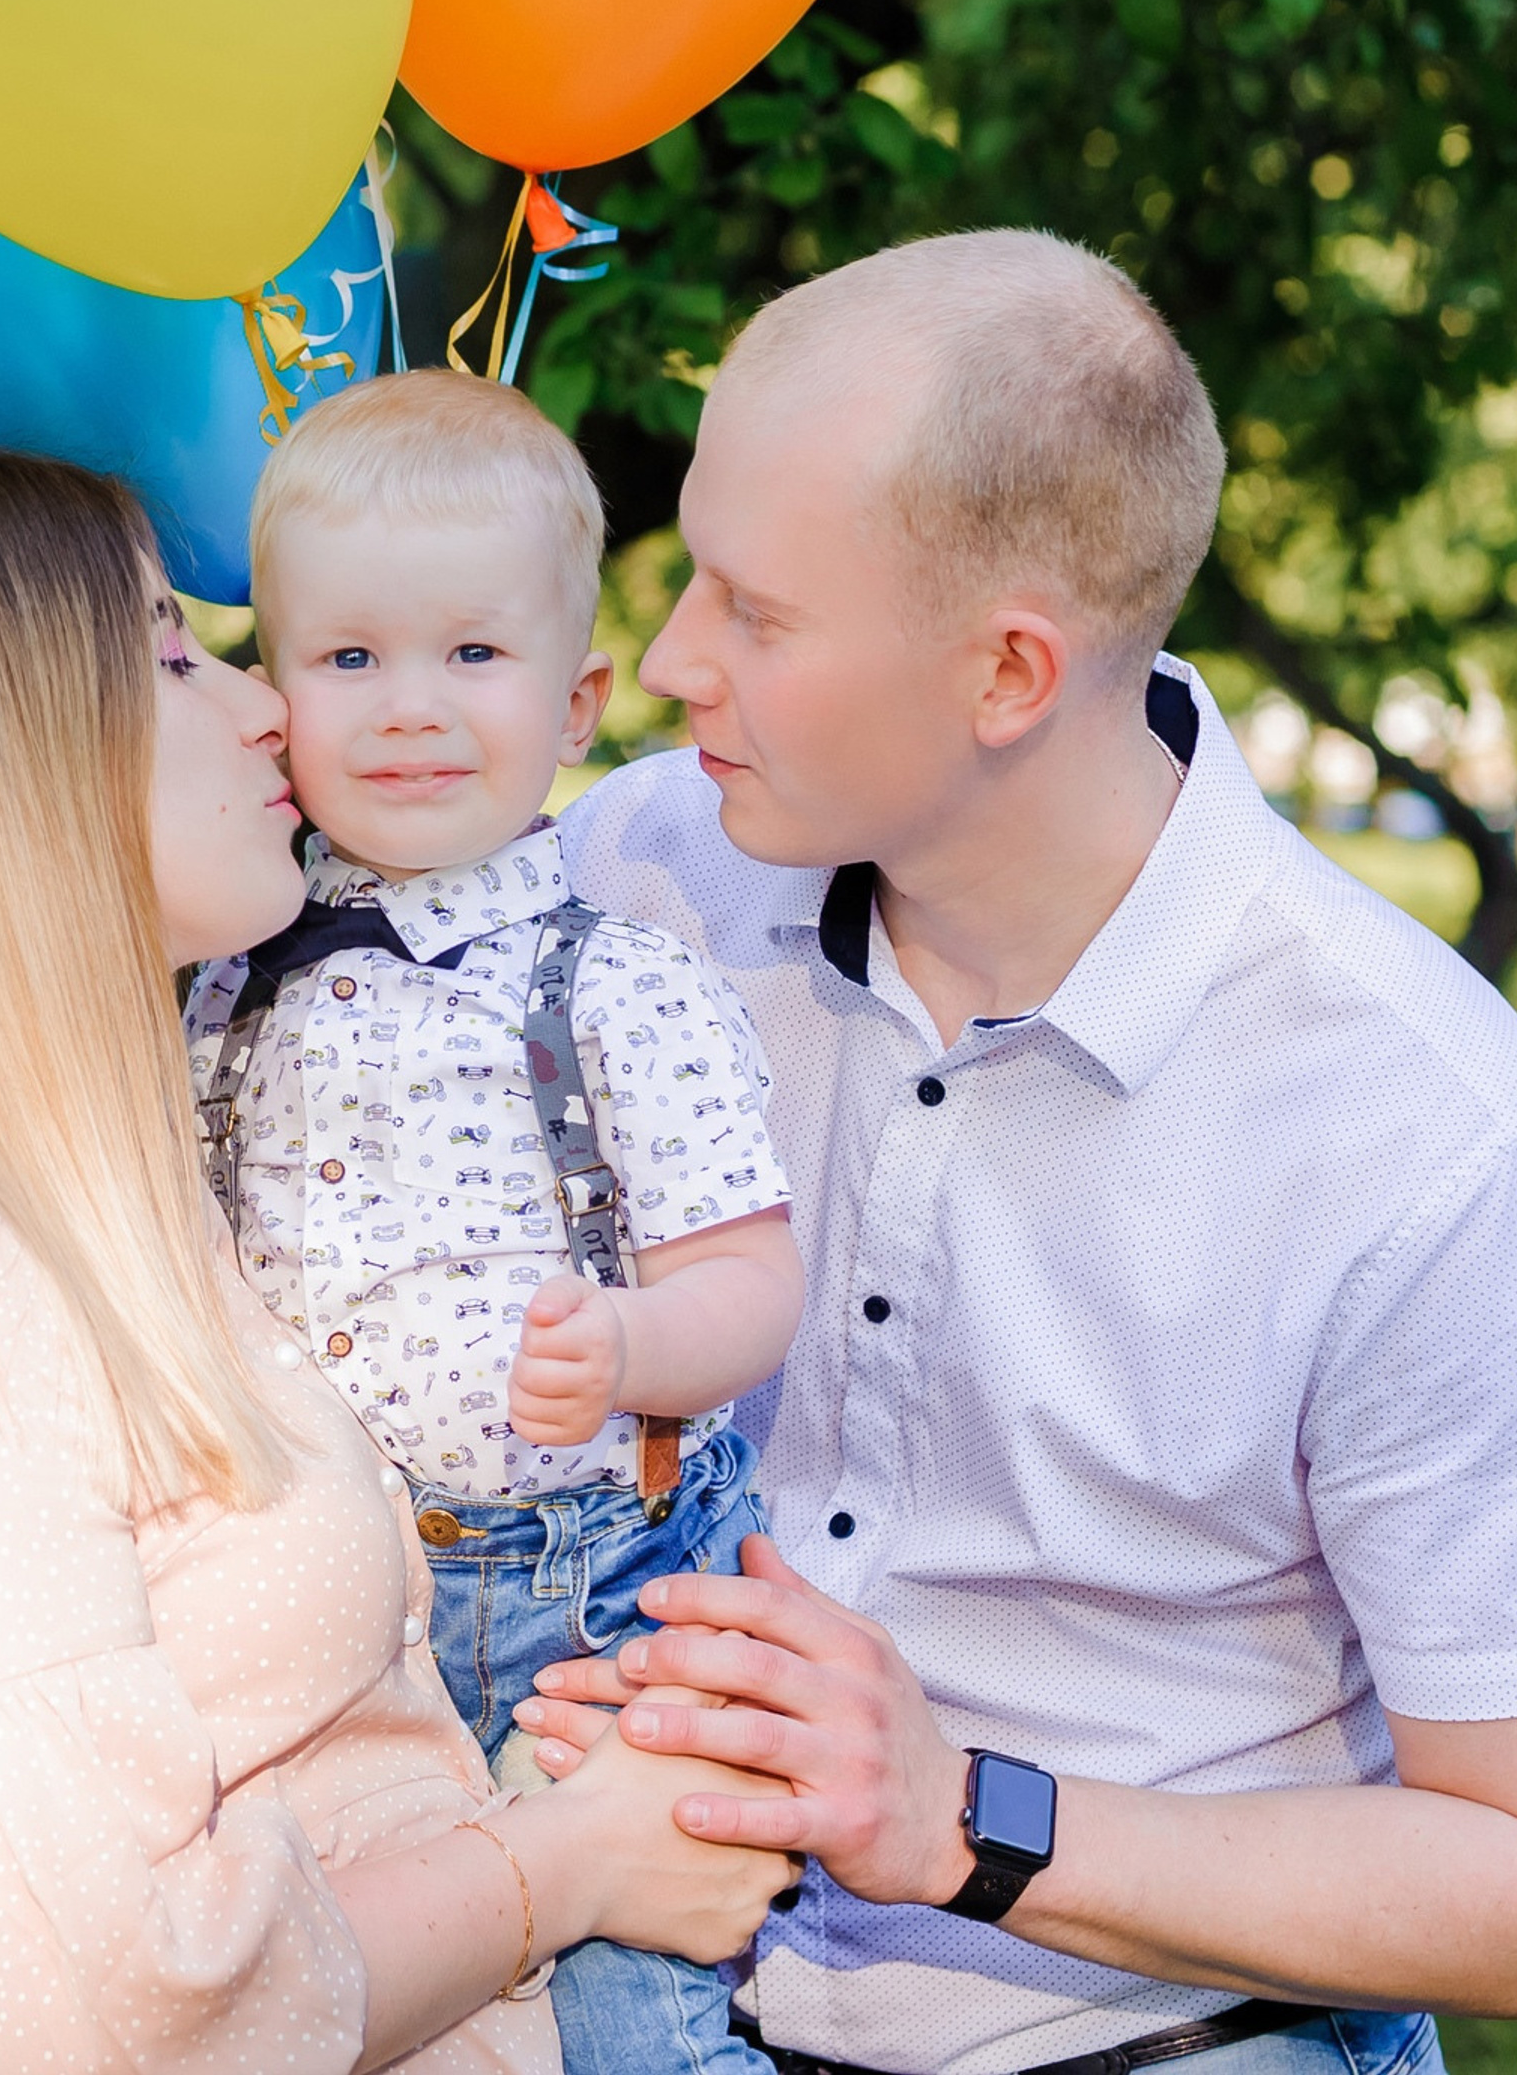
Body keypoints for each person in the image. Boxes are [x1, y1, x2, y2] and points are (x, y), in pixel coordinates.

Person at [0, 451, 797, 2075]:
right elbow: (118, 2015)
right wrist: (577, 1858)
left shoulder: (129, 1144)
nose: (266, 709)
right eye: (172, 657)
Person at [511, 232, 1517, 2075]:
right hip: (621, 1995)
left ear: (1007, 675)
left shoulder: (1428, 1138)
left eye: (755, 610)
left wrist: (965, 1815)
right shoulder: (634, 878)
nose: (666, 665)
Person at [187, 371, 806, 2075]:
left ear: (580, 697)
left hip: (586, 1595)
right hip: (329, 1605)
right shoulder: (221, 985)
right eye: (348, 658)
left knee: (633, 2024)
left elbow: (753, 1283)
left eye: (472, 655)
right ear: (273, 696)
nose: (409, 708)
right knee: (363, 2002)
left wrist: (628, 1344)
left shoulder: (617, 980)